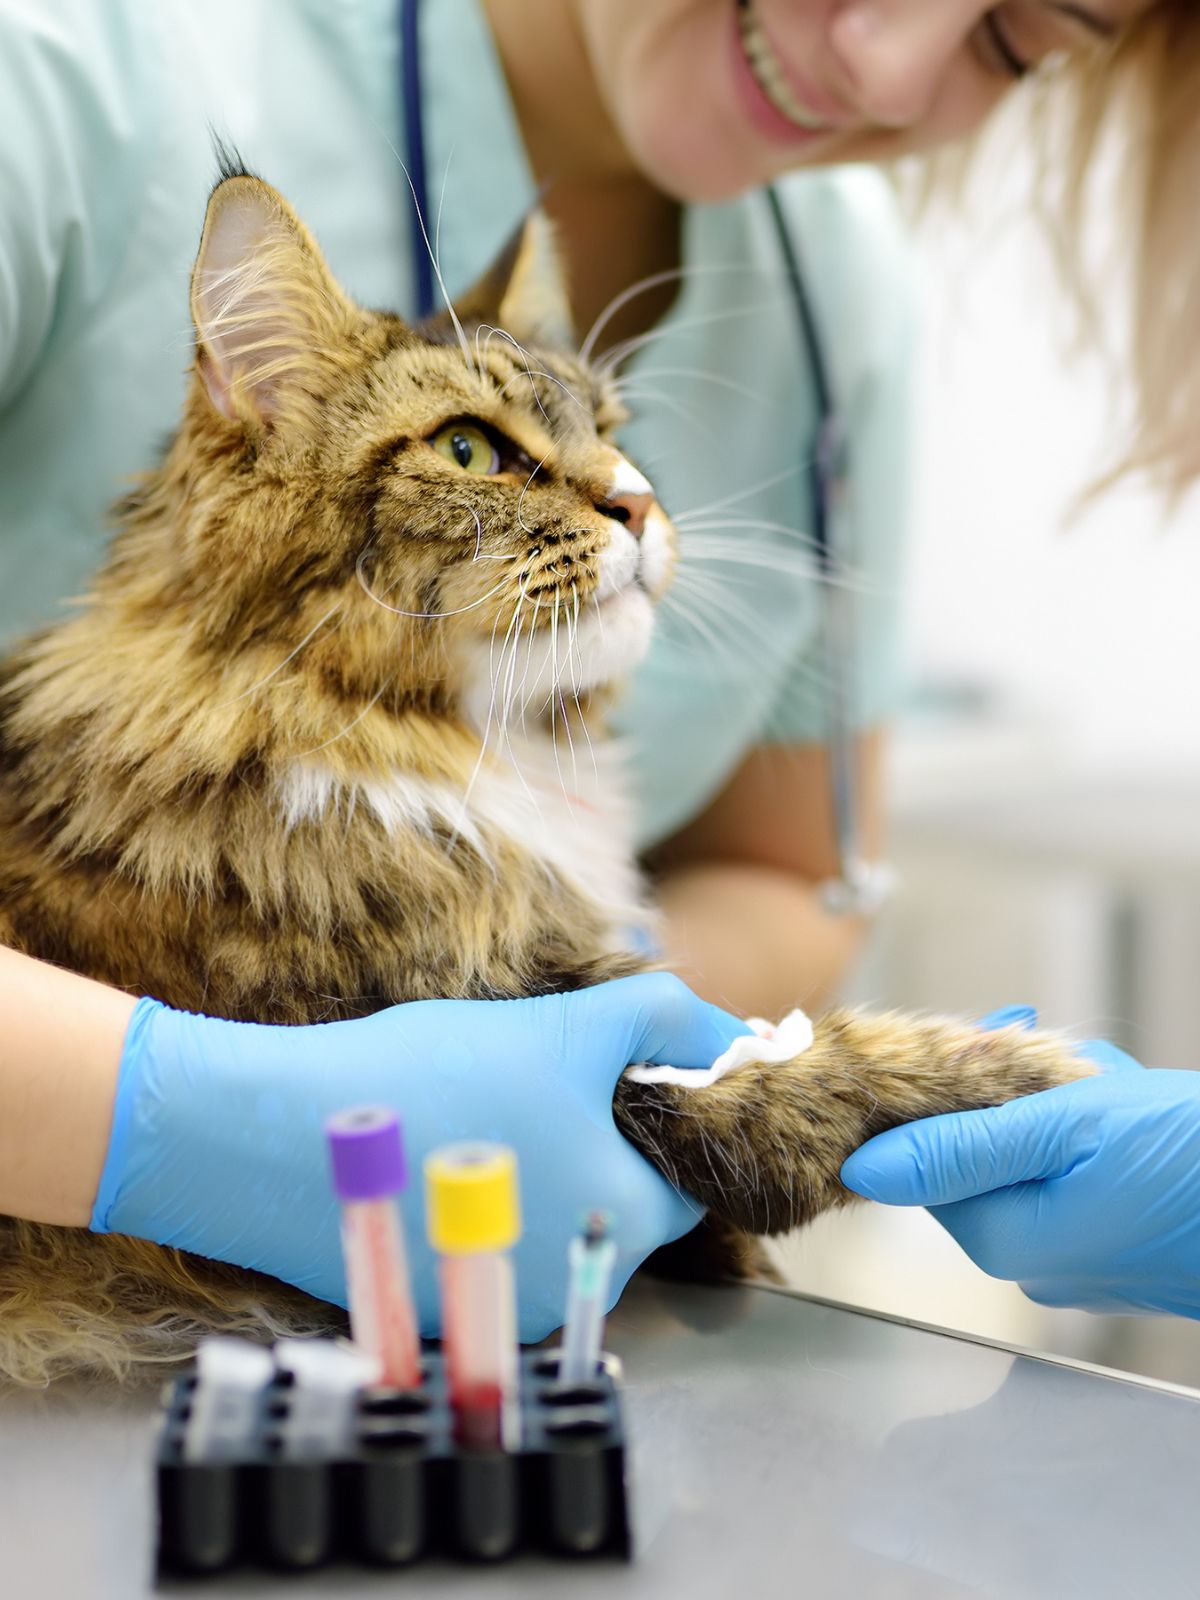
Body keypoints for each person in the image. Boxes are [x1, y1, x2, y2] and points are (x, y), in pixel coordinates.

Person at [0, 0, 1194, 1338]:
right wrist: (169, 1113)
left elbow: (790, 866)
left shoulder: (836, 285)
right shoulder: (68, 73)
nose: (886, 60)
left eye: (1012, 43)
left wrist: (612, 1053)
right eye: (473, 450)